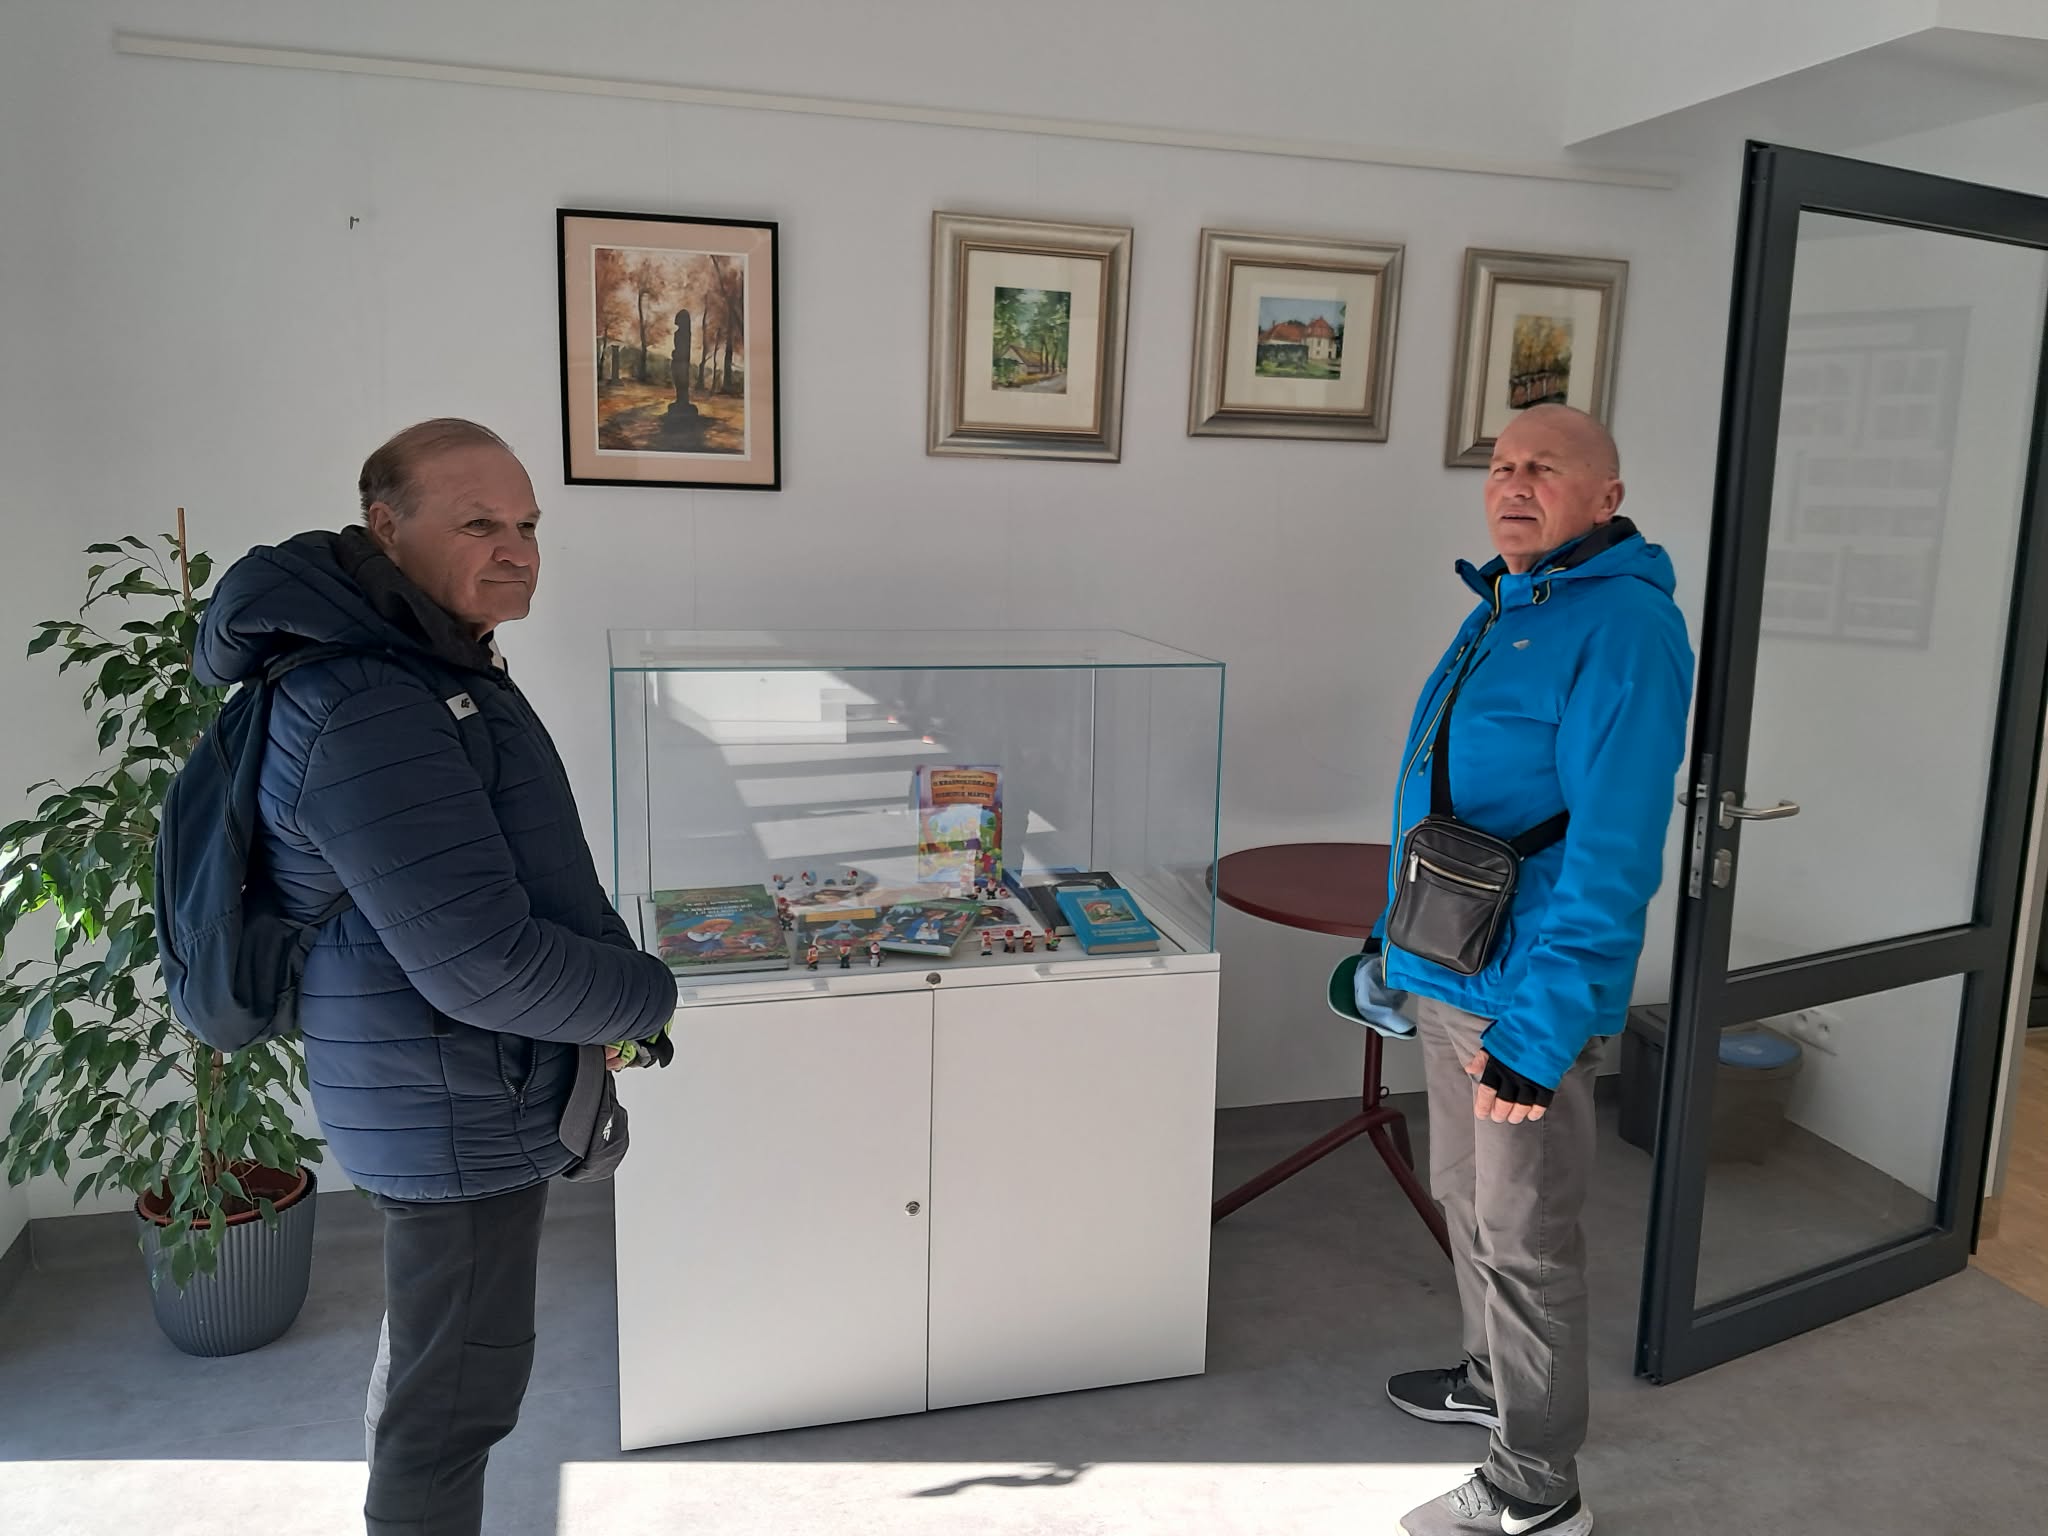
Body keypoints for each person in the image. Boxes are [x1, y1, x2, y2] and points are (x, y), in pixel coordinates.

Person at [194, 418, 677, 1536]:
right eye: (478, 524)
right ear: (386, 527)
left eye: (528, 526)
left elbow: (525, 878)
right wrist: (645, 993)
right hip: (450, 1104)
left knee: (434, 1377)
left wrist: (608, 990)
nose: (516, 550)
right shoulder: (370, 699)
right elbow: (482, 963)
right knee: (452, 1405)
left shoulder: (431, 661)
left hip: (451, 1088)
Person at [1372, 405, 1693, 1536]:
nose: (1512, 484)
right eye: (1501, 466)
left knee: (1527, 1240)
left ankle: (1536, 1486)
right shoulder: (1510, 603)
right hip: (1451, 970)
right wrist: (1391, 944)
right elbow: (1448, 799)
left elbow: (1613, 853)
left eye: (1542, 469)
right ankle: (1487, 1378)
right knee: (1465, 1198)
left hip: (1521, 999)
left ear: (1606, 497)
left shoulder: (1625, 628)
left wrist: (1540, 1030)